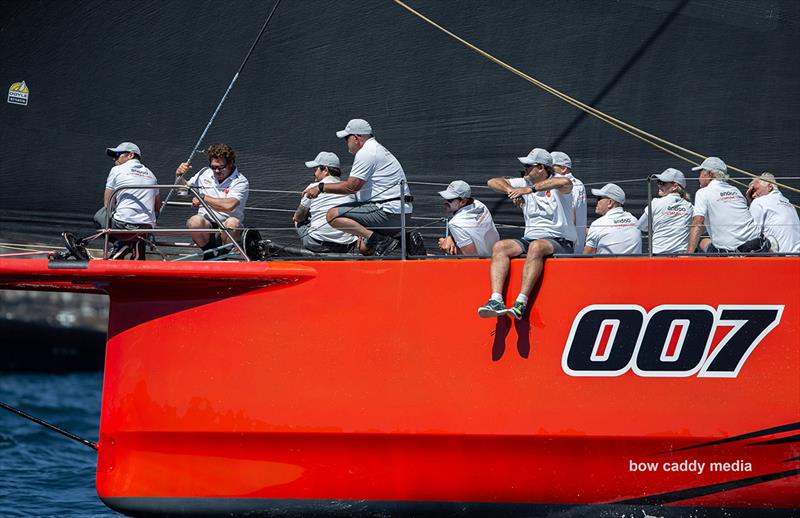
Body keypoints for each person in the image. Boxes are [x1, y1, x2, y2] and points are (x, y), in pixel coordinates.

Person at [478, 148, 575, 320]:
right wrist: (511, 190)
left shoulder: (558, 184)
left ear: (541, 168)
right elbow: (492, 181)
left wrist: (530, 190)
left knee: (537, 246)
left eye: (528, 166)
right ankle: (496, 300)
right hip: (530, 239)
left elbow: (564, 182)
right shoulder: (524, 182)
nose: (525, 170)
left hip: (561, 241)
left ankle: (521, 302)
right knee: (500, 246)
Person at [302, 119, 413, 256]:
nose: (346, 143)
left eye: (346, 139)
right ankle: (406, 242)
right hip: (400, 213)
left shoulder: (366, 152)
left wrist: (320, 187)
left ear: (356, 138)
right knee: (364, 248)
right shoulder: (377, 149)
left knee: (332, 215)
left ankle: (382, 241)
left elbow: (351, 187)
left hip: (389, 212)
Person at [174, 143, 249, 258]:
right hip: (207, 223)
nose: (217, 171)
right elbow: (182, 192)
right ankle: (209, 254)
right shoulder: (204, 172)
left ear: (230, 163)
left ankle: (223, 256)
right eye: (213, 167)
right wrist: (179, 176)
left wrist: (202, 198)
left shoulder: (240, 181)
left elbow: (229, 205)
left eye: (221, 167)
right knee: (194, 221)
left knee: (232, 223)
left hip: (227, 226)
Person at [97, 142, 160, 260]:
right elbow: (157, 207)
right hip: (146, 228)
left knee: (100, 215)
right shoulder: (152, 174)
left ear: (130, 155)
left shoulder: (116, 169)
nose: (114, 159)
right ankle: (133, 246)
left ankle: (123, 244)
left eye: (117, 155)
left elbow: (108, 204)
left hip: (124, 225)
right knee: (138, 226)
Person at [687, 157, 763, 254]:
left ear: (710, 174)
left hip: (734, 253)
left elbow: (698, 223)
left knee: (702, 239)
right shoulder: (735, 190)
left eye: (701, 172)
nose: (699, 177)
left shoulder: (703, 192)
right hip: (758, 244)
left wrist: (688, 256)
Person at [293, 152, 357, 253]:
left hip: (316, 243)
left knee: (298, 221)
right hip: (345, 246)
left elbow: (298, 217)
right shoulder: (349, 189)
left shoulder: (312, 188)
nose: (313, 173)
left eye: (315, 170)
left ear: (325, 170)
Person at [637, 168, 693, 254]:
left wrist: (658, 225)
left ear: (674, 187)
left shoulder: (655, 202)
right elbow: (701, 227)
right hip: (681, 257)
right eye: (658, 182)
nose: (659, 185)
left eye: (662, 183)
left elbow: (641, 226)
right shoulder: (690, 207)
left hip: (658, 256)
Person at [437, 180, 499, 256]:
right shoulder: (480, 205)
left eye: (450, 200)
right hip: (497, 253)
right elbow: (472, 228)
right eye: (445, 198)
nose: (445, 202)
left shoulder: (455, 224)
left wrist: (447, 247)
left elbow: (471, 256)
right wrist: (451, 237)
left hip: (483, 263)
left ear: (463, 202)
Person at [747, 173, 800, 253]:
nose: (753, 195)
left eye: (755, 189)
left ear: (770, 187)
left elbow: (750, 235)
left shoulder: (759, 202)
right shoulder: (789, 204)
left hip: (778, 260)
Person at [584, 183, 641, 254]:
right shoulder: (634, 220)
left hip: (609, 264)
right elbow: (617, 231)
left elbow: (586, 255)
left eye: (599, 198)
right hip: (635, 264)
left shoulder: (598, 224)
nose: (597, 202)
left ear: (610, 202)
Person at [551, 151, 587, 252]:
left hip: (566, 243)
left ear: (563, 168)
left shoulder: (568, 184)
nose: (547, 170)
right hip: (575, 242)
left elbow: (572, 213)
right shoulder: (579, 183)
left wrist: (567, 242)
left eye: (550, 166)